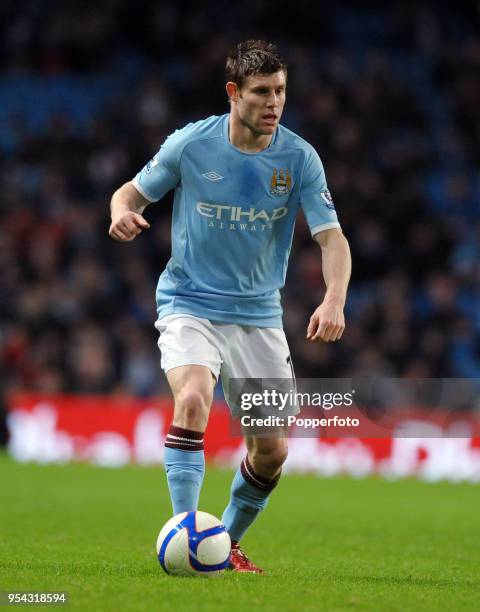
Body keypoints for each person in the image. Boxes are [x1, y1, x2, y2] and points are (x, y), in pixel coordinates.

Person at [109, 40, 351, 573]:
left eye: (281, 91)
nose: (274, 103)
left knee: (272, 453)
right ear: (233, 93)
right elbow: (129, 193)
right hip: (188, 302)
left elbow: (331, 239)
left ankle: (226, 542)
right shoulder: (190, 145)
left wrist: (334, 299)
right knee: (193, 399)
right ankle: (185, 534)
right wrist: (121, 214)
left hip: (259, 317)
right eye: (262, 92)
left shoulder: (299, 157)